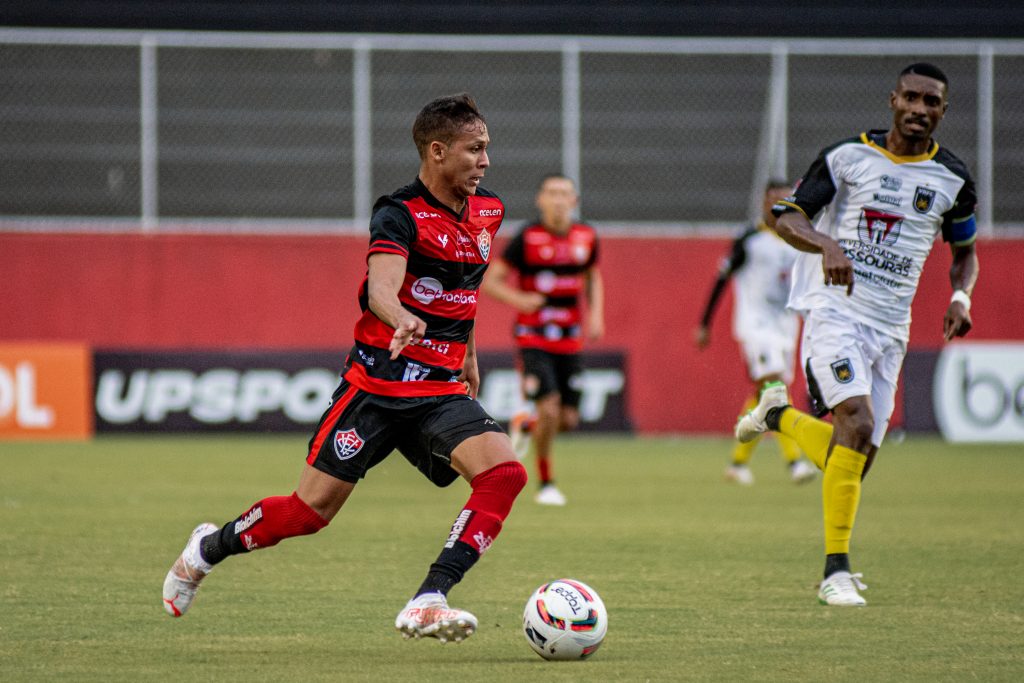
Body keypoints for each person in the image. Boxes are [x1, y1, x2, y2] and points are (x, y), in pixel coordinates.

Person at [162, 93, 528, 643]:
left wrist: (469, 356)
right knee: (308, 513)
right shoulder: (399, 213)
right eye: (475, 150)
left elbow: (464, 293)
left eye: (487, 149)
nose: (486, 161)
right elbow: (382, 287)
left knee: (505, 474)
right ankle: (206, 550)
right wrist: (400, 316)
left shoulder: (488, 211)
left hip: (439, 386)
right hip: (376, 389)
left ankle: (429, 598)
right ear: (436, 151)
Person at [735, 63, 979, 606]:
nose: (919, 109)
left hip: (892, 326)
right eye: (911, 98)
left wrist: (961, 296)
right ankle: (835, 573)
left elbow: (964, 254)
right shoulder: (846, 157)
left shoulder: (954, 180)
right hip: (833, 310)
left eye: (931, 102)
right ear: (893, 99)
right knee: (858, 422)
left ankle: (777, 416)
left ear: (943, 111)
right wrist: (828, 245)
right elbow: (788, 218)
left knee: (858, 453)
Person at [482, 174, 604, 506]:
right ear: (540, 200)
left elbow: (592, 275)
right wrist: (519, 300)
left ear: (574, 201)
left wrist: (595, 314)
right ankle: (546, 482)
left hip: (570, 339)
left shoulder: (587, 236)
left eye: (565, 193)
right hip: (533, 336)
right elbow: (491, 281)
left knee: (566, 419)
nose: (558, 199)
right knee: (550, 409)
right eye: (551, 193)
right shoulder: (527, 237)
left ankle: (526, 422)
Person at [696, 180, 817, 486]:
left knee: (764, 393)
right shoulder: (749, 239)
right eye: (774, 199)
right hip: (756, 324)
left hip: (787, 325)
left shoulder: (799, 237)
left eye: (786, 199)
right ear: (764, 202)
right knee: (774, 385)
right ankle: (795, 462)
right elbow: (722, 279)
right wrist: (704, 323)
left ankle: (737, 463)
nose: (779, 205)